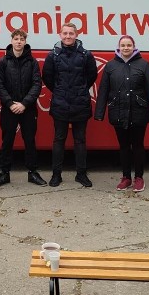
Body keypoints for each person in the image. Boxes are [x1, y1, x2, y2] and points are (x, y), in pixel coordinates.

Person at [94, 35, 149, 193]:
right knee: (124, 146)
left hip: (139, 112)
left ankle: (139, 178)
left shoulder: (144, 65)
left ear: (134, 47)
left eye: (129, 45)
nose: (126, 48)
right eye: (123, 45)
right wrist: (99, 113)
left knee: (138, 146)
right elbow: (104, 90)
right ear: (119, 47)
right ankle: (126, 177)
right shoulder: (111, 66)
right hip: (117, 112)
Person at [42, 22, 98, 187]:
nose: (68, 36)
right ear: (60, 35)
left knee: (80, 140)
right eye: (65, 33)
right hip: (60, 103)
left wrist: (79, 90)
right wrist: (60, 91)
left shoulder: (86, 55)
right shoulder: (53, 56)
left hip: (80, 103)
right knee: (59, 140)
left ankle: (81, 174)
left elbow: (91, 76)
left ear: (76, 35)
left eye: (71, 34)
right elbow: (48, 77)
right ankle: (56, 175)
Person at [0, 29, 46, 187]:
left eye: (21, 39)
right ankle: (4, 173)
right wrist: (10, 103)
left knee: (30, 140)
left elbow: (37, 84)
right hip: (9, 109)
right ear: (11, 41)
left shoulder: (32, 62)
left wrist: (24, 103)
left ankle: (33, 173)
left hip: (27, 108)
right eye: (16, 39)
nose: (18, 42)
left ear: (25, 42)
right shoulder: (3, 62)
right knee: (7, 141)